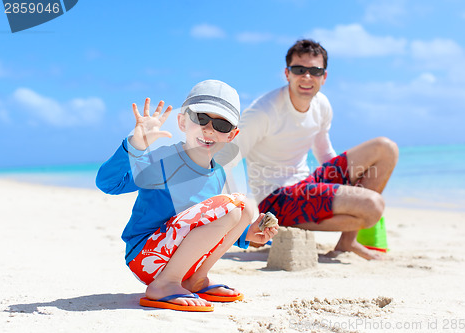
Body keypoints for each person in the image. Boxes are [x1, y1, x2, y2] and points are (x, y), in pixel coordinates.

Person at [96, 80, 278, 312]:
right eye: (201, 118)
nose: (209, 129)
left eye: (221, 125)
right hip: (146, 256)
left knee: (245, 209)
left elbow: (205, 223)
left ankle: (196, 280)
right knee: (236, 204)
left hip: (183, 262)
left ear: (232, 135)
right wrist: (135, 145)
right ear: (182, 121)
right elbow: (109, 183)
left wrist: (247, 235)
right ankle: (165, 284)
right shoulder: (163, 162)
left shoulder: (218, 172)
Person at [236, 39, 398, 260]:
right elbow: (229, 158)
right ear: (287, 73)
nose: (307, 77)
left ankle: (347, 242)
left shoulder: (321, 104)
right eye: (299, 70)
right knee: (373, 206)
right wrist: (240, 220)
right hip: (276, 199)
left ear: (324, 76)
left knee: (385, 148)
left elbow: (324, 154)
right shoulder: (263, 111)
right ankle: (287, 224)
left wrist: (352, 185)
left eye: (315, 71)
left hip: (306, 184)